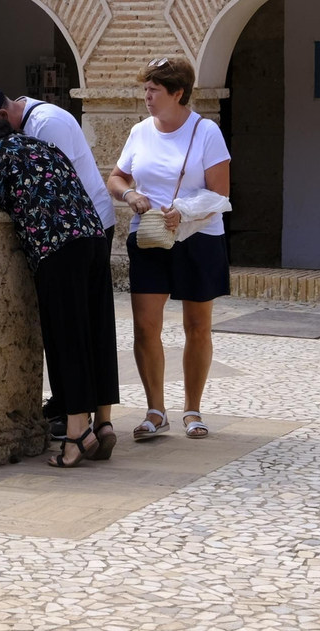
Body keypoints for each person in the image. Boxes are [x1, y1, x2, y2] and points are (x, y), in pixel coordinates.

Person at [0, 112, 119, 468]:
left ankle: (77, 436)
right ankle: (102, 423)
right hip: (93, 238)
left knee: (66, 338)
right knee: (96, 332)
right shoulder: (40, 146)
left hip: (56, 247)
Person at [105, 56, 231, 442]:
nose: (146, 96)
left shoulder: (206, 132)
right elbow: (116, 175)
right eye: (145, 88)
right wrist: (130, 194)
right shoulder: (140, 131)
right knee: (145, 326)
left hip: (199, 238)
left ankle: (192, 410)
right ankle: (155, 411)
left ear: (178, 93)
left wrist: (184, 212)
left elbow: (220, 194)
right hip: (150, 237)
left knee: (197, 326)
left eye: (154, 89)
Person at [0, 86, 116, 233]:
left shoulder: (48, 123)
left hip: (89, 222)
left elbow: (56, 183)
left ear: (2, 116)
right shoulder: (21, 121)